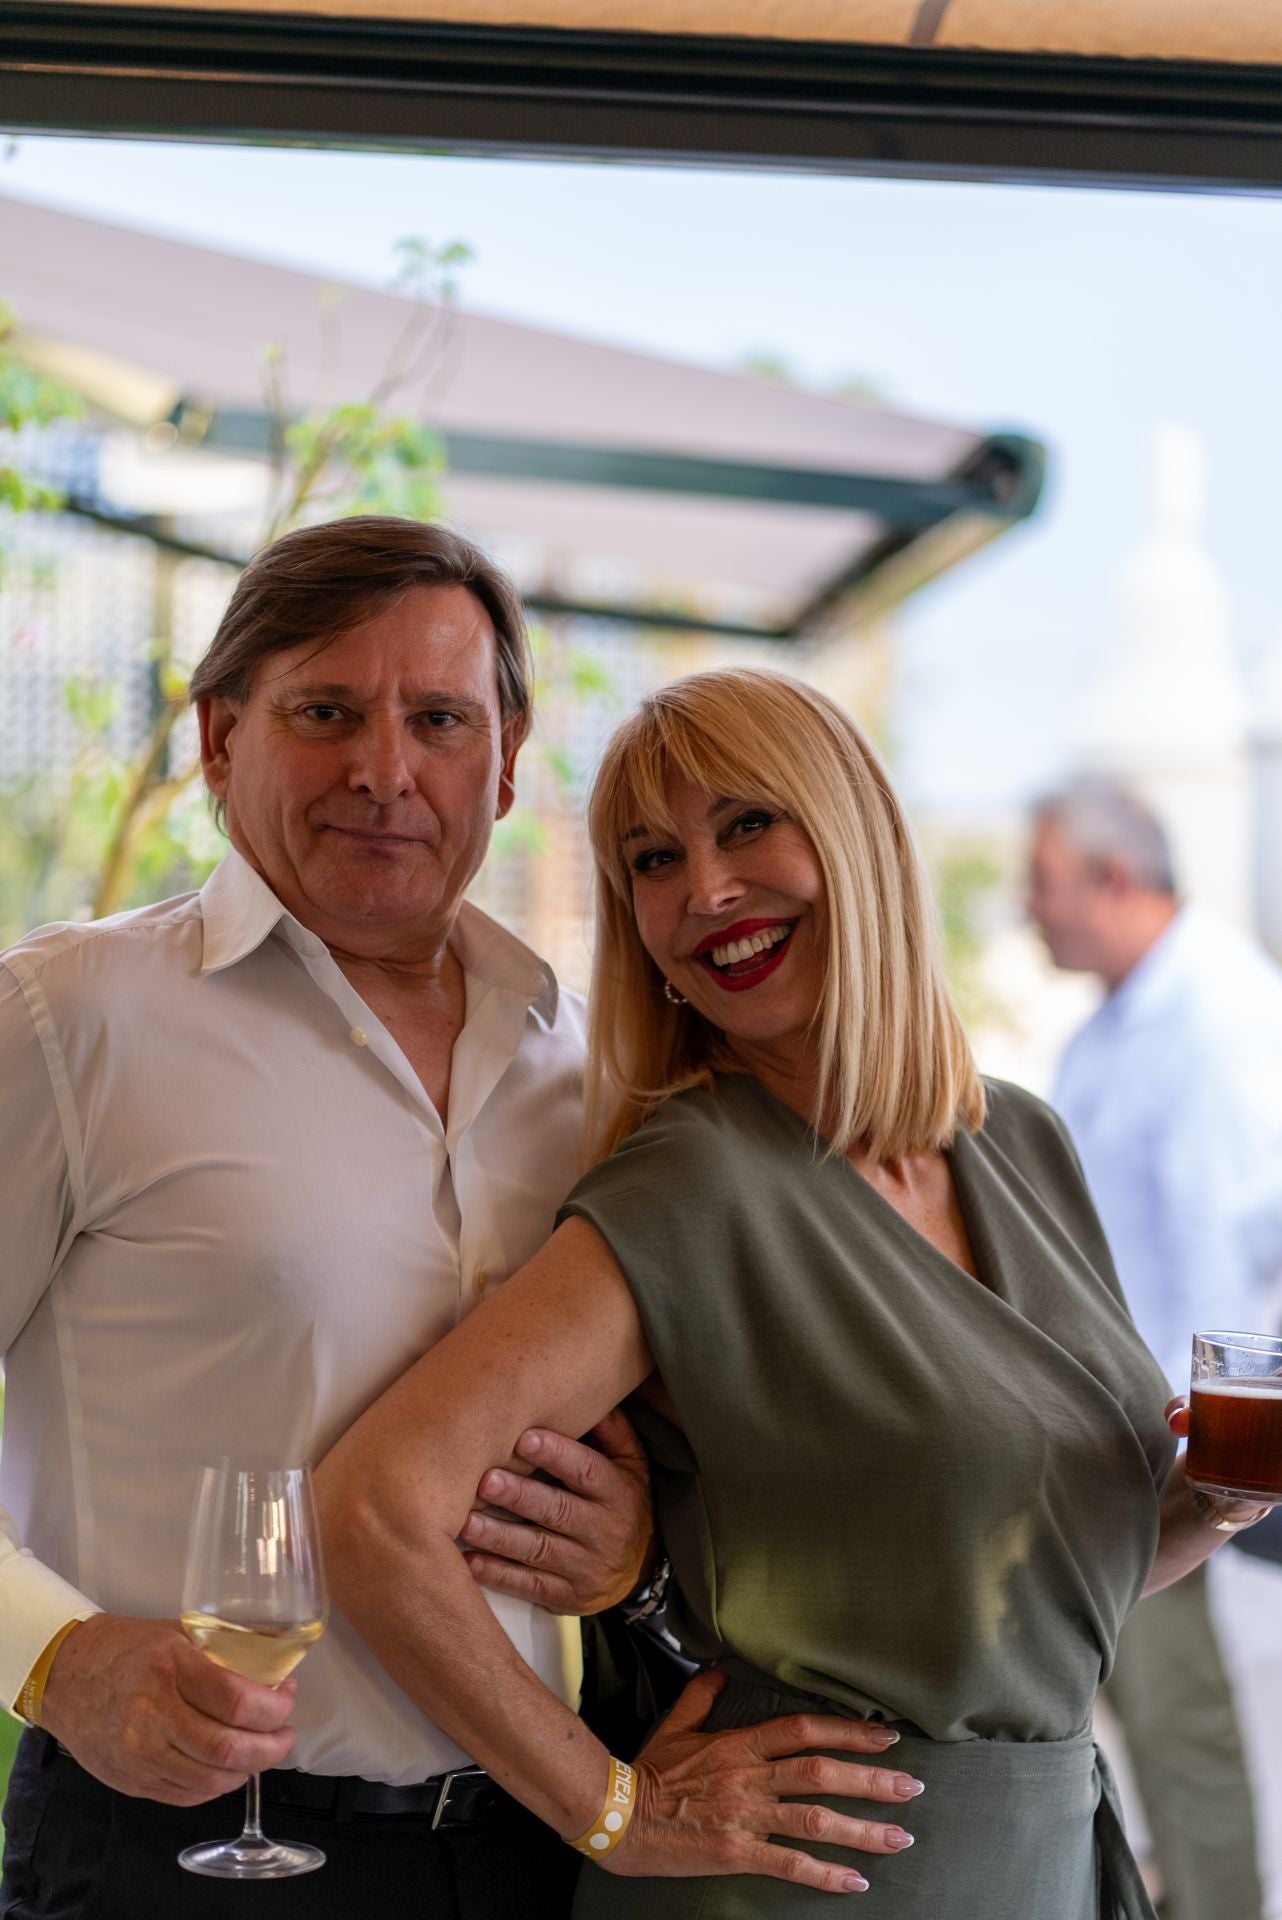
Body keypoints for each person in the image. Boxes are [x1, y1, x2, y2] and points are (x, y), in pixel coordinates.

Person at [318, 668, 1272, 1918]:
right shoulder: (692, 1182)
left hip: (1042, 1870)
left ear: (858, 832)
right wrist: (612, 1808)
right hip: (805, 1890)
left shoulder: (1018, 1142)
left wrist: (1218, 1499)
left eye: (748, 824)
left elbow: (1056, 1573)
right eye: (653, 860)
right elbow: (371, 1507)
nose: (706, 892)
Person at [0, 518, 835, 1920]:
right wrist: (54, 1657)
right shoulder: (67, 1020)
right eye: (325, 711)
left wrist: (626, 1556)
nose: (384, 770)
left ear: (505, 764)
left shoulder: (598, 1075)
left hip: (527, 1850)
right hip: (177, 1860)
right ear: (218, 739)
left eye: (438, 719)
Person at [1028, 776, 1282, 1920]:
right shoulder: (1103, 1032)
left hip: (1174, 1456)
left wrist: (1205, 1480)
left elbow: (1238, 1267)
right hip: (1096, 1450)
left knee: (1183, 1739)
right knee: (1125, 1736)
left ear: (1112, 879)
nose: (1029, 914)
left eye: (1041, 887)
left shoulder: (1221, 1017)